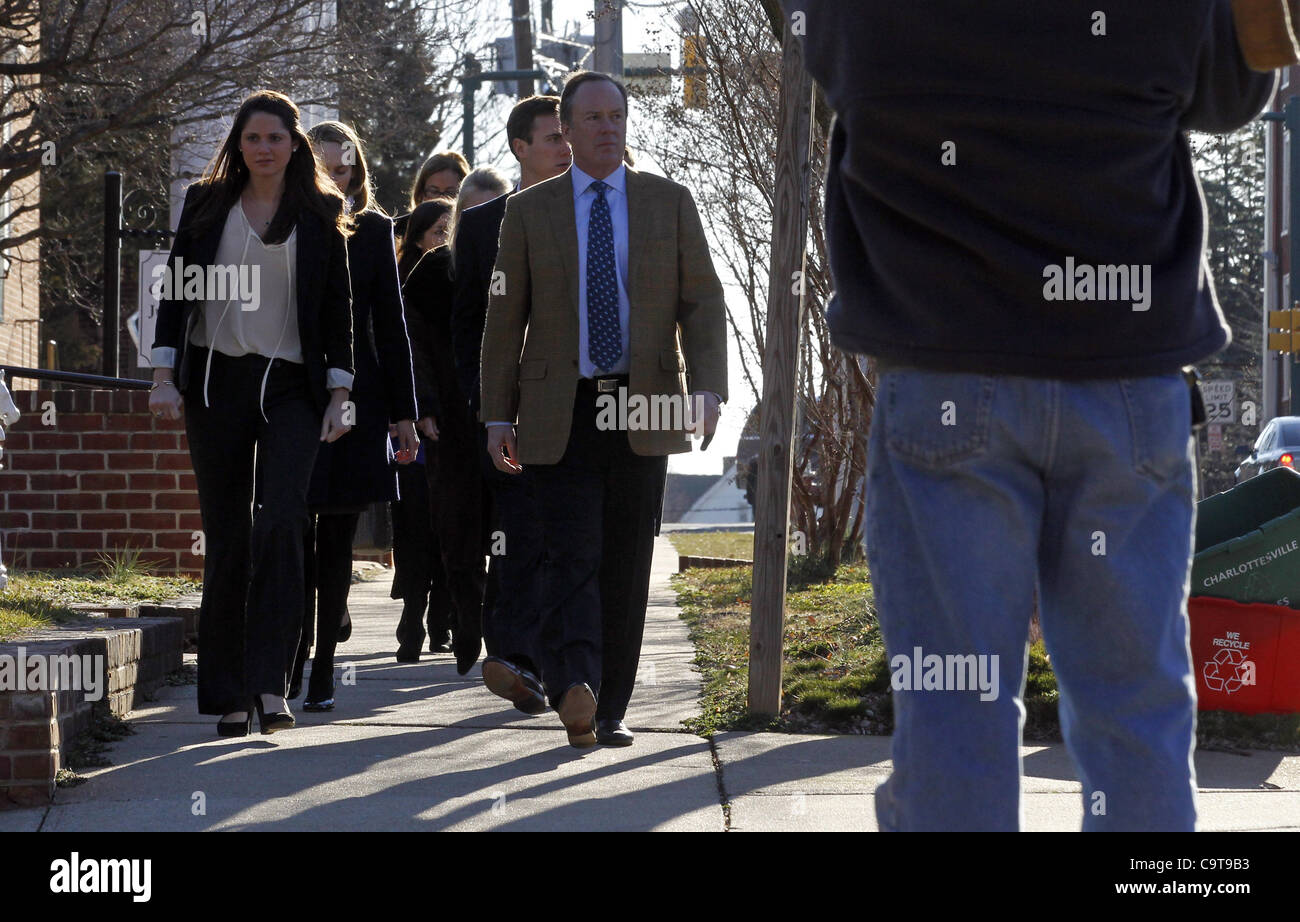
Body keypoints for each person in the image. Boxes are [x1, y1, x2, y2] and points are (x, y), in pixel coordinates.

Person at [786, 0, 1280, 830]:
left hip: (948, 370)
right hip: (1126, 379)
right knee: (1137, 712)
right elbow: (1235, 93)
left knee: (955, 711)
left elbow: (816, 48)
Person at [480, 72, 728, 746]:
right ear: (566, 127)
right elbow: (505, 320)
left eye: (616, 115)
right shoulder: (530, 211)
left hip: (644, 402)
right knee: (571, 553)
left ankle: (609, 706)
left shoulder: (667, 202)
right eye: (591, 118)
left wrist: (709, 389)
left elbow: (702, 301)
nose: (607, 128)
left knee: (625, 558)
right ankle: (573, 687)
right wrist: (496, 415)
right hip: (562, 406)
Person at [148, 90, 355, 737]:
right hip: (217, 383)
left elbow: (338, 310)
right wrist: (162, 374)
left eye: (275, 138)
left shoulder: (321, 212)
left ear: (294, 145)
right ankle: (230, 695)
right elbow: (177, 294)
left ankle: (271, 684)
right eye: (252, 138)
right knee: (229, 537)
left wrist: (341, 394)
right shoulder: (206, 205)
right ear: (238, 147)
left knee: (283, 523)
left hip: (291, 385)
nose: (264, 148)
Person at [284, 120, 421, 712]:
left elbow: (390, 330)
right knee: (292, 529)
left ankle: (321, 670)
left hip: (355, 396)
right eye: (324, 170)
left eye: (344, 171)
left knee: (336, 531)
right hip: (289, 389)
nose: (335, 182)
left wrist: (403, 415)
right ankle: (289, 654)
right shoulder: (278, 223)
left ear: (357, 174)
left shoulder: (371, 232)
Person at [450, 94, 570, 715]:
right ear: (520, 148)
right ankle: (517, 660)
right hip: (511, 414)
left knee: (568, 539)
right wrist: (486, 403)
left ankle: (563, 668)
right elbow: (465, 325)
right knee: (518, 534)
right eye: (553, 137)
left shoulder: (597, 213)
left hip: (584, 406)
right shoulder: (480, 226)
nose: (566, 146)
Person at [393, 151, 470, 239]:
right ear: (421, 194)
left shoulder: (472, 233)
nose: (441, 199)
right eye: (434, 191)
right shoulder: (395, 232)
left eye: (450, 192)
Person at [397, 197, 454, 281]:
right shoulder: (404, 283)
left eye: (453, 230)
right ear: (418, 240)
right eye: (440, 232)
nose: (449, 238)